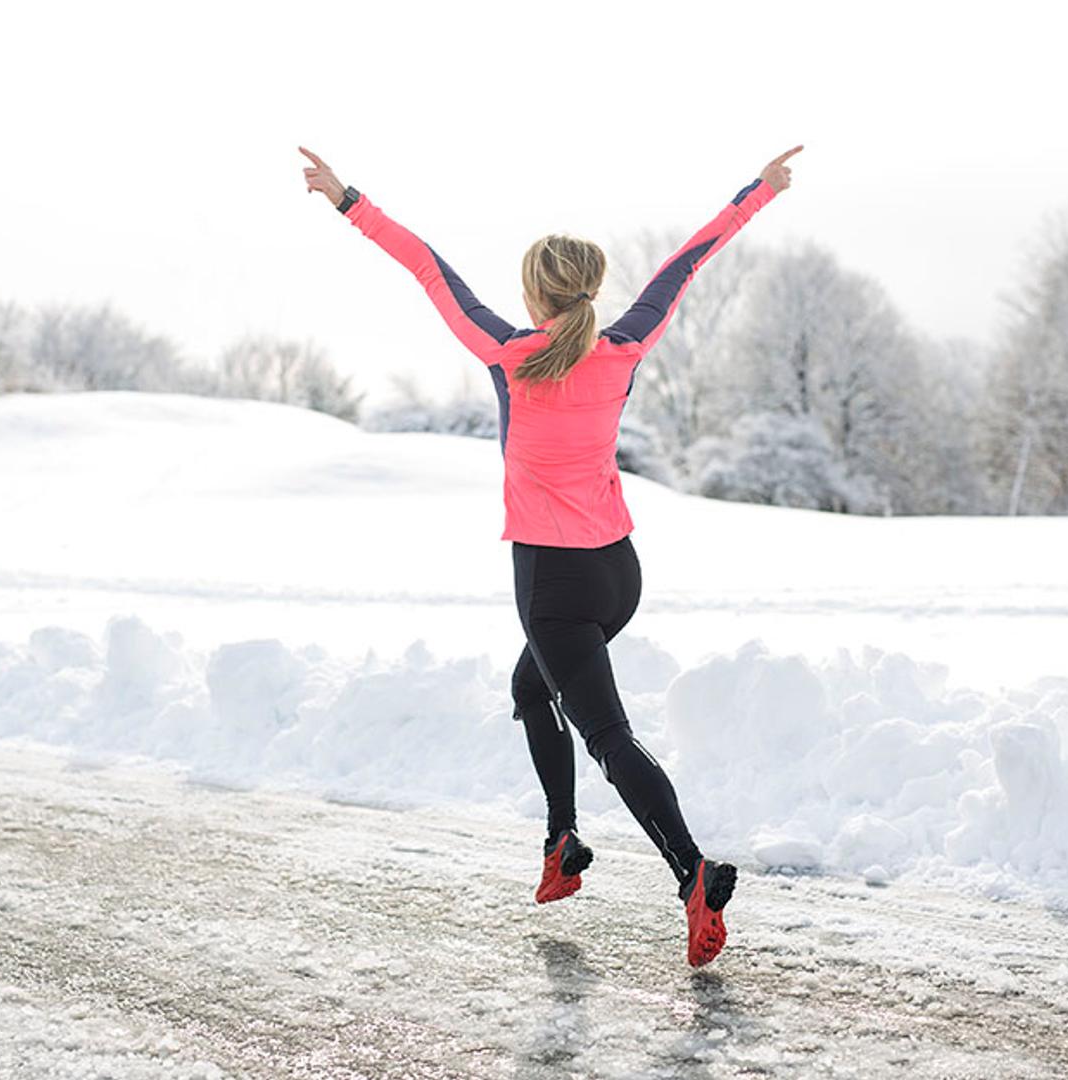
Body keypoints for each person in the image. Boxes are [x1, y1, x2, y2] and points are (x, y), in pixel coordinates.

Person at [300, 143, 800, 967]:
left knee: (606, 733)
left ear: (534, 294)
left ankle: (693, 873)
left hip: (553, 582)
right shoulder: (624, 349)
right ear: (592, 290)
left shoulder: (509, 355)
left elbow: (431, 271)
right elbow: (682, 268)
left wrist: (347, 199)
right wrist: (758, 194)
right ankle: (562, 843)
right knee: (533, 688)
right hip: (617, 573)